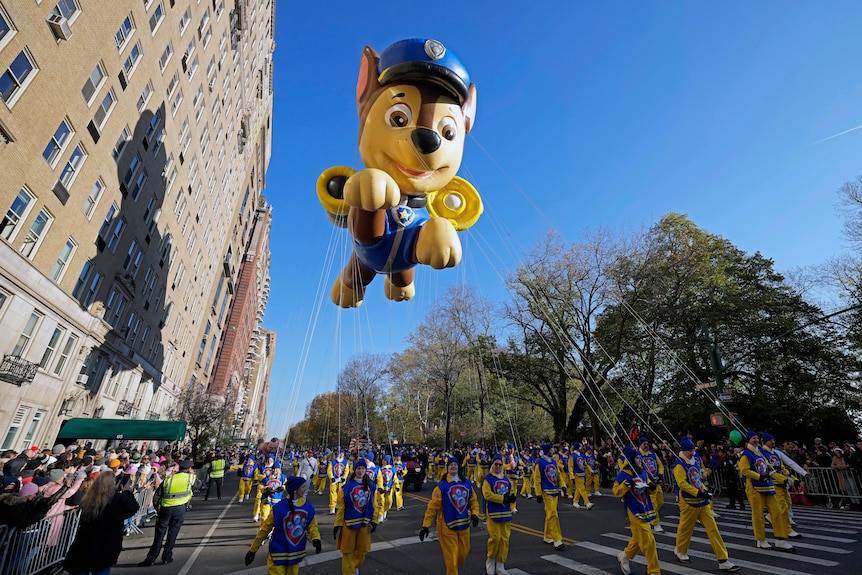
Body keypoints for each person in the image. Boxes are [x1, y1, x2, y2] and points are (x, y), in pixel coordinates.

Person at [672, 438, 740, 572]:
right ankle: (680, 550)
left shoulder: (695, 461)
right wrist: (698, 493)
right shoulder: (679, 464)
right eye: (690, 451)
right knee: (686, 528)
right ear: (684, 451)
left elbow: (696, 479)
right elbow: (682, 484)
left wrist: (704, 490)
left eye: (693, 450)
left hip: (702, 502)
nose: (693, 453)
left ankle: (723, 559)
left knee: (713, 529)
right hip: (688, 502)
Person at [63, 471, 139, 575]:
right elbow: (133, 507)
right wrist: (127, 492)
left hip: (86, 542)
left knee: (82, 568)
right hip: (105, 544)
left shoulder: (89, 498)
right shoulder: (117, 499)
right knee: (101, 570)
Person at [244, 476, 322, 574]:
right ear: (295, 490)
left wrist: (316, 539)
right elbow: (265, 530)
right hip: (278, 554)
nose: (305, 489)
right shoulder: (279, 508)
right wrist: (253, 550)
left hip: (295, 554)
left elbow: (312, 525)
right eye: (303, 487)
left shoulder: (307, 506)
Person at [420, 456, 480, 575]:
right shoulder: (441, 486)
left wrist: (475, 514)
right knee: (451, 559)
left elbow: (473, 501)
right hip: (446, 526)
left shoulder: (467, 483)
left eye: (455, 464)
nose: (453, 466)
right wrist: (425, 525)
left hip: (463, 525)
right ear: (447, 468)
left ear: (458, 467)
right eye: (451, 465)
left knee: (463, 554)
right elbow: (432, 508)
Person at [738, 431, 794, 552]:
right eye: (753, 438)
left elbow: (770, 469)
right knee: (758, 515)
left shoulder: (760, 454)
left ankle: (780, 539)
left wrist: (784, 478)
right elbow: (745, 470)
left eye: (757, 438)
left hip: (768, 487)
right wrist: (759, 476)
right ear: (748, 440)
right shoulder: (746, 455)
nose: (756, 440)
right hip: (755, 488)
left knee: (777, 511)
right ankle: (761, 539)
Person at [138, 459, 196, 566]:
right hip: (180, 509)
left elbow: (157, 495)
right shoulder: (191, 478)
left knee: (159, 535)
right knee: (172, 533)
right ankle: (166, 557)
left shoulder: (169, 478)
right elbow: (198, 486)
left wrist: (157, 508)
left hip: (165, 509)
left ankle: (151, 559)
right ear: (189, 469)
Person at [613, 447, 660, 575]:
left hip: (645, 507)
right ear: (632, 460)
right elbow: (616, 491)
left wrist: (652, 487)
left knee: (639, 538)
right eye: (638, 458)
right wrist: (626, 485)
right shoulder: (623, 474)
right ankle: (654, 570)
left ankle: (625, 555)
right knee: (649, 540)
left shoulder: (642, 472)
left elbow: (649, 487)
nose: (640, 460)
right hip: (633, 510)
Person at [334, 458, 376, 575]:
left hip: (364, 523)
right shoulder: (347, 486)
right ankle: (348, 571)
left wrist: (375, 520)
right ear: (354, 470)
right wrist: (337, 524)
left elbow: (374, 504)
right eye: (358, 468)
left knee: (362, 551)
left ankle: (354, 566)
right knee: (348, 552)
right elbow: (342, 507)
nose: (361, 471)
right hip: (349, 523)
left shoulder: (371, 486)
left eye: (363, 468)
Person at [482, 454, 517, 575]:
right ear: (492, 465)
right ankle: (490, 560)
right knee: (495, 539)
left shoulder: (506, 479)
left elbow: (511, 492)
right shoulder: (488, 479)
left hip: (506, 513)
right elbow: (487, 495)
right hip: (493, 513)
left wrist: (511, 500)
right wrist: (503, 499)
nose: (498, 466)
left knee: (505, 539)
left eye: (500, 464)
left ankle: (500, 564)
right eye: (496, 464)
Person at [533, 443, 565, 551]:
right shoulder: (540, 463)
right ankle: (557, 539)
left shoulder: (553, 461)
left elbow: (558, 474)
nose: (553, 451)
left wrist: (563, 485)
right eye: (551, 449)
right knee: (553, 514)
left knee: (550, 514)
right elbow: (537, 479)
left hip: (555, 491)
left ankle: (547, 536)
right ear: (547, 451)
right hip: (546, 492)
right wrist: (538, 494)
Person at [638, 437, 665, 533]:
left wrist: (661, 473)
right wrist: (649, 481)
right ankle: (655, 523)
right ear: (640, 445)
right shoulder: (638, 456)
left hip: (657, 482)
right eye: (644, 444)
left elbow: (660, 465)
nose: (646, 445)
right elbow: (640, 471)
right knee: (653, 503)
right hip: (648, 484)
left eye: (647, 444)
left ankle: (648, 514)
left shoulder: (652, 454)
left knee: (660, 502)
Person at [570, 443, 594, 509]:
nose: (581, 448)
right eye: (580, 447)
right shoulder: (572, 456)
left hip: (582, 474)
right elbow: (570, 466)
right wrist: (572, 475)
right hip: (577, 474)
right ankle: (587, 502)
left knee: (578, 489)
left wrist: (591, 470)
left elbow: (585, 464)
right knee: (582, 489)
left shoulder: (582, 456)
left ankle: (575, 501)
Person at [328, 448, 351, 515]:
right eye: (339, 453)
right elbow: (329, 471)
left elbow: (347, 471)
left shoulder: (345, 462)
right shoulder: (332, 462)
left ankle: (340, 506)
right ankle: (332, 507)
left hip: (341, 480)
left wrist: (344, 477)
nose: (340, 455)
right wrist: (331, 477)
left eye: (342, 454)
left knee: (341, 494)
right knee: (333, 494)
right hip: (334, 480)